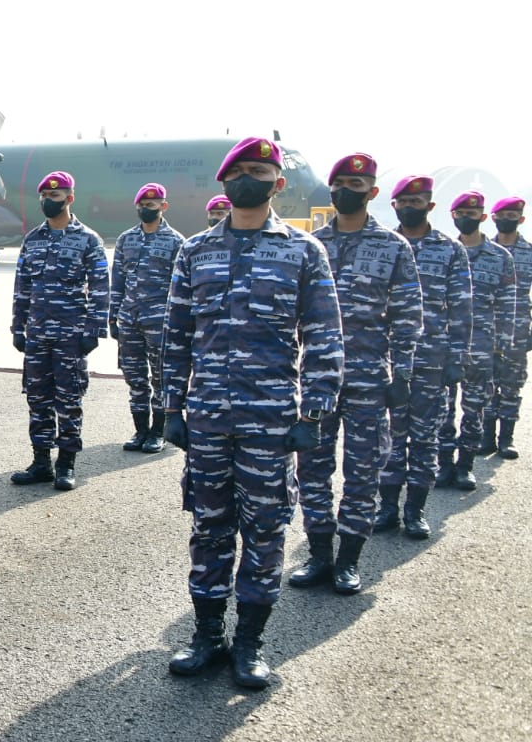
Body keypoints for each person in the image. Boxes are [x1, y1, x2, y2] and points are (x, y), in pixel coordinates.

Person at [163, 137, 344, 690]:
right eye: (239, 171)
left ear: (277, 183)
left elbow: (324, 336)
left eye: (259, 171)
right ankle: (207, 637)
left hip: (271, 422)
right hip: (210, 419)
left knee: (265, 531)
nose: (249, 179)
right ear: (224, 182)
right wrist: (171, 406)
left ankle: (250, 644)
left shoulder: (303, 252)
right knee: (209, 528)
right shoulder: (193, 251)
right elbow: (177, 336)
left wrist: (312, 414)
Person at [288, 155, 422, 595]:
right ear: (331, 190)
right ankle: (319, 552)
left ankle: (349, 559)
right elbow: (290, 316)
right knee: (312, 467)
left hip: (369, 375)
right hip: (317, 378)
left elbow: (407, 316)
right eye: (342, 182)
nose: (349, 189)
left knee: (363, 469)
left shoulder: (393, 247)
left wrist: (401, 374)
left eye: (358, 183)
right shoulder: (310, 245)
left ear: (373, 192)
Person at [378, 175, 471, 539]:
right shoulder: (385, 246)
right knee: (389, 435)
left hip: (432, 358)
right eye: (405, 202)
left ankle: (415, 509)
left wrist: (456, 358)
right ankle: (386, 507)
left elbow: (462, 309)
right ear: (394, 205)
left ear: (430, 207)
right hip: (388, 359)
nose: (411, 207)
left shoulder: (450, 250)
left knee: (425, 436)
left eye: (418, 202)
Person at [9, 171, 109, 491]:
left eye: (55, 196)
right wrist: (17, 326)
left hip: (71, 334)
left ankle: (65, 463)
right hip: (37, 332)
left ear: (70, 198)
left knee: (68, 399)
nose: (48, 201)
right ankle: (41, 462)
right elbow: (22, 286)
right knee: (37, 398)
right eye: (44, 197)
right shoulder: (33, 239)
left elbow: (101, 288)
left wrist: (93, 329)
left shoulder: (88, 239)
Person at [438, 191, 517, 491]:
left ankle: (465, 465)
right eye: (461, 213)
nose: (467, 218)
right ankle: (443, 464)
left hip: (483, 345)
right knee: (442, 409)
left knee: (475, 408)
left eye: (473, 214)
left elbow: (508, 305)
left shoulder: (500, 257)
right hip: (445, 344)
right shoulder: (443, 251)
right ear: (453, 215)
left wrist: (503, 346)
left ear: (484, 217)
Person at [110, 183, 185, 452]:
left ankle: (158, 431)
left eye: (151, 205)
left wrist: (178, 323)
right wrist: (112, 317)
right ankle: (140, 430)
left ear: (163, 207)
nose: (146, 209)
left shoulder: (176, 241)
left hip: (160, 322)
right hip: (129, 319)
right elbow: (117, 280)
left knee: (160, 378)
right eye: (142, 205)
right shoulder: (126, 239)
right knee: (134, 377)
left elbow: (181, 287)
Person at [485, 197, 532, 458]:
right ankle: (487, 438)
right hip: (485, 330)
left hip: (518, 329)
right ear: (493, 217)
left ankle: (507, 439)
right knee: (485, 385)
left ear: (521, 219)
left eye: (513, 215)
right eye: (503, 215)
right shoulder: (484, 250)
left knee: (512, 384)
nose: (508, 219)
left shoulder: (529, 252)